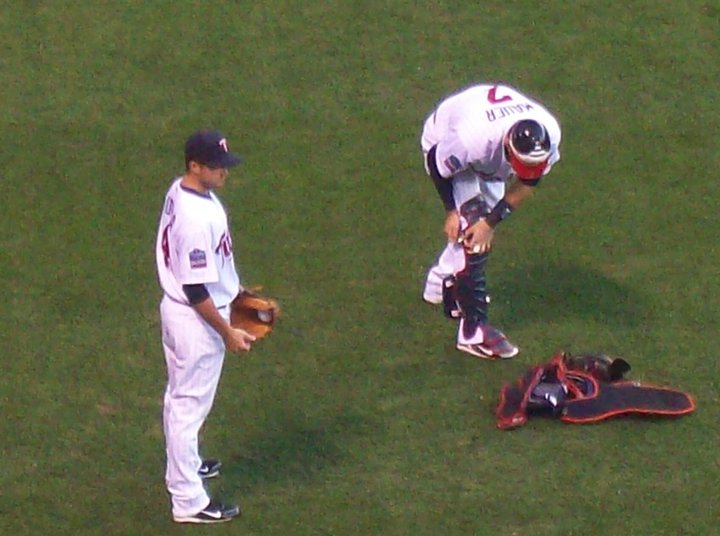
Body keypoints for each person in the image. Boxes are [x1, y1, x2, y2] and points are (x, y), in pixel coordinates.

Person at [155, 129, 256, 523]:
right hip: (195, 319)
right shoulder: (197, 218)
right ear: (194, 166)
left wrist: (235, 287)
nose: (223, 172)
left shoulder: (181, 191)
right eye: (216, 167)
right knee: (187, 407)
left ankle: (186, 466)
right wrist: (227, 330)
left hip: (180, 312)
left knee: (179, 399)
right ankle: (188, 501)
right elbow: (195, 288)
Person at [420, 83, 562, 359]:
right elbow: (437, 165)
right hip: (443, 138)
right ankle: (472, 333)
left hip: (489, 161)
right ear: (509, 148)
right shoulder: (470, 139)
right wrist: (452, 211)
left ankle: (440, 285)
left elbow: (529, 182)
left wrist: (491, 222)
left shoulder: (549, 134)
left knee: (480, 226)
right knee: (472, 233)